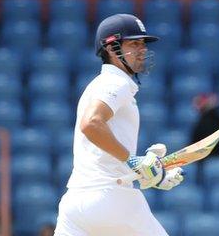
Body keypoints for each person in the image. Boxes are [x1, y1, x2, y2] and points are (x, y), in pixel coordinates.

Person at [55, 14, 184, 235]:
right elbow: (92, 123)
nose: (142, 49)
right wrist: (134, 161)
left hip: (76, 203)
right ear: (112, 48)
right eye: (134, 43)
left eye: (143, 43)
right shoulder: (116, 82)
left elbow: (104, 152)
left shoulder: (100, 84)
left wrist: (151, 174)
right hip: (112, 197)